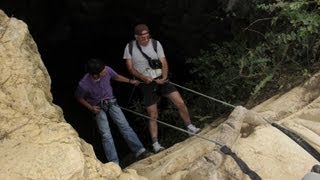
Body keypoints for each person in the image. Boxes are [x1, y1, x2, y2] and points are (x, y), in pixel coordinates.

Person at [123, 24, 200, 153]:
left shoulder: (155, 44)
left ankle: (190, 127)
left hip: (160, 79)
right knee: (153, 114)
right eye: (143, 38)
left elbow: (163, 61)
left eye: (147, 37)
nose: (146, 40)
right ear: (136, 37)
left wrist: (164, 77)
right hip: (146, 83)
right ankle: (156, 144)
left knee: (179, 102)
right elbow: (130, 67)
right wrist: (143, 77)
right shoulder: (130, 47)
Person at [75, 58, 151, 165]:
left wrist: (130, 81)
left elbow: (116, 76)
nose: (105, 71)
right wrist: (91, 108)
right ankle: (114, 163)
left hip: (111, 101)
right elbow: (79, 98)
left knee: (124, 126)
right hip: (97, 107)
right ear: (95, 74)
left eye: (104, 69)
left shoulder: (106, 69)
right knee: (106, 135)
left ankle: (140, 151)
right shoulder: (84, 84)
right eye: (102, 71)